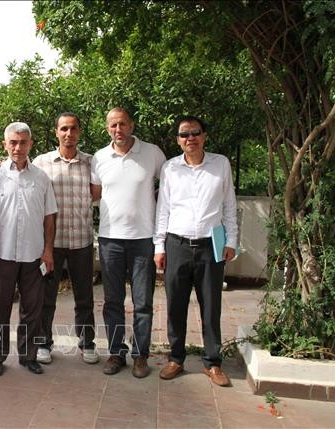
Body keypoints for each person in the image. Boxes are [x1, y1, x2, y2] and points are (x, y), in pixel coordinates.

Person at [154, 115, 237, 387]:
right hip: (177, 244)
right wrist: (159, 245)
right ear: (178, 140)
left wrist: (231, 241)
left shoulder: (221, 164)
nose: (190, 138)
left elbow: (229, 205)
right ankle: (176, 358)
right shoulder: (170, 168)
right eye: (184, 134)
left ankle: (212, 362)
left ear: (204, 135)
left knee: (211, 306)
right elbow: (163, 208)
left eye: (195, 133)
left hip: (210, 245)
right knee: (175, 305)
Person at [91, 107, 166, 378]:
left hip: (143, 240)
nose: (118, 130)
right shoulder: (99, 158)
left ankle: (140, 356)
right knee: (112, 301)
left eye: (122, 124)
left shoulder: (152, 153)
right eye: (113, 125)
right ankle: (115, 353)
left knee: (143, 302)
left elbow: (169, 184)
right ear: (107, 127)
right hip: (110, 240)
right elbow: (95, 194)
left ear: (131, 125)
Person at [0, 122, 57, 376]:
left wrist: (48, 250)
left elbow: (49, 217)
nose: (18, 147)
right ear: (4, 144)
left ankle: (28, 356)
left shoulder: (41, 178)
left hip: (33, 253)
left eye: (23, 142)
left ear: (31, 144)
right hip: (1, 253)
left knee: (32, 309)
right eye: (13, 142)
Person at [32, 112, 99, 365]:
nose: (68, 134)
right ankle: (43, 343)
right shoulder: (41, 163)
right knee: (46, 296)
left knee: (85, 297)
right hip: (51, 243)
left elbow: (98, 194)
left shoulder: (91, 163)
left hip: (81, 241)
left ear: (79, 131)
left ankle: (87, 343)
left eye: (73, 129)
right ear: (56, 132)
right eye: (63, 129)